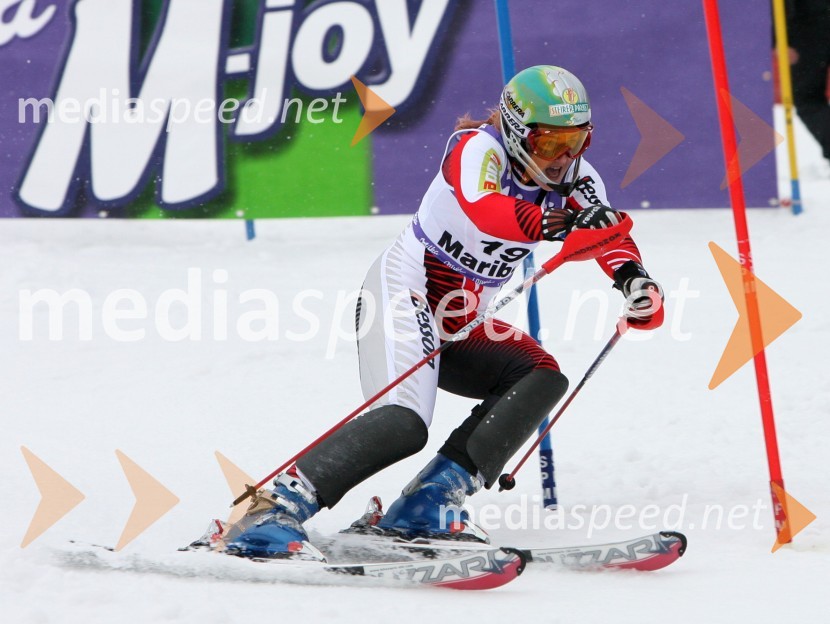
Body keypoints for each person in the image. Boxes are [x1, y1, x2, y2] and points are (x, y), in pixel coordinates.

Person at [219, 66, 665, 560]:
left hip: (460, 320)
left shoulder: (578, 179)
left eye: (576, 141)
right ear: (517, 133)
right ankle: (272, 508)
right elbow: (485, 209)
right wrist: (560, 224)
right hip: (403, 293)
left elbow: (607, 232)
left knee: (539, 378)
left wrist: (635, 282)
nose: (563, 158)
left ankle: (428, 503)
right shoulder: (476, 148)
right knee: (403, 423)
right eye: (548, 144)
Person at [784, 0, 830, 166]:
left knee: (807, 99)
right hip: (808, 28)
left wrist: (780, 39)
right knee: (808, 99)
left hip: (807, 31)